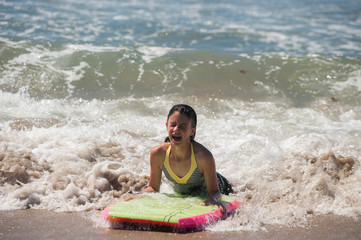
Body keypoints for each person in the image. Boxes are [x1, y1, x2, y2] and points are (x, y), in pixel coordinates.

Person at [129, 104, 233, 213]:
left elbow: (214, 191)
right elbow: (154, 188)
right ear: (166, 126)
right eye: (173, 124)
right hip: (187, 195)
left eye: (183, 126)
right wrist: (138, 196)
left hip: (220, 187)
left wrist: (213, 200)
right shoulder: (158, 154)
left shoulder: (203, 156)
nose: (176, 129)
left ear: (192, 130)